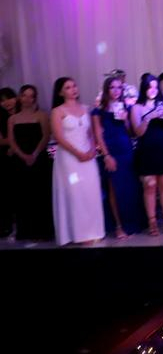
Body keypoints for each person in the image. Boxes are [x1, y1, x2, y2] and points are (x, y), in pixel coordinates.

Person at [50, 77, 105, 245]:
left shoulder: (86, 108)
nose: (73, 89)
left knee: (90, 192)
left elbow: (91, 133)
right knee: (75, 194)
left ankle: (93, 230)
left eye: (74, 86)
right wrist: (77, 153)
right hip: (69, 158)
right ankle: (76, 233)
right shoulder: (57, 111)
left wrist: (92, 149)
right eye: (68, 87)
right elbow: (59, 137)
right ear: (60, 92)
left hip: (88, 156)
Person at [92, 75, 145, 237]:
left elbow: (131, 132)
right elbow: (98, 135)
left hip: (126, 150)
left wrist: (125, 120)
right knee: (114, 189)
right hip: (111, 151)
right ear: (106, 90)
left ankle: (133, 223)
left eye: (119, 87)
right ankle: (118, 225)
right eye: (112, 87)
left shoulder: (126, 107)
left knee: (130, 187)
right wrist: (106, 155)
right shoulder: (98, 111)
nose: (116, 91)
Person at [131, 74, 163, 235]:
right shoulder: (137, 107)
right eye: (150, 87)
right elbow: (138, 132)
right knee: (150, 186)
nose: (153, 90)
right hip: (146, 150)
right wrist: (148, 117)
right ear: (144, 88)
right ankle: (152, 221)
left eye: (156, 87)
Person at [8, 85, 54, 240]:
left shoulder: (41, 115)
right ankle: (25, 231)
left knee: (40, 195)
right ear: (20, 97)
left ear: (35, 98)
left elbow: (46, 136)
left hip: (39, 159)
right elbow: (12, 141)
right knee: (23, 195)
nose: (27, 99)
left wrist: (34, 154)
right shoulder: (12, 119)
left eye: (31, 96)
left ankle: (43, 231)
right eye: (24, 95)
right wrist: (23, 156)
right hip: (19, 161)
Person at [0, 87, 18, 237]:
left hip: (27, 154)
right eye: (2, 101)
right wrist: (13, 144)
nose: (7, 103)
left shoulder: (26, 111)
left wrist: (14, 145)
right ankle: (7, 225)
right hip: (5, 158)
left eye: (9, 98)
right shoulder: (1, 117)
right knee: (7, 191)